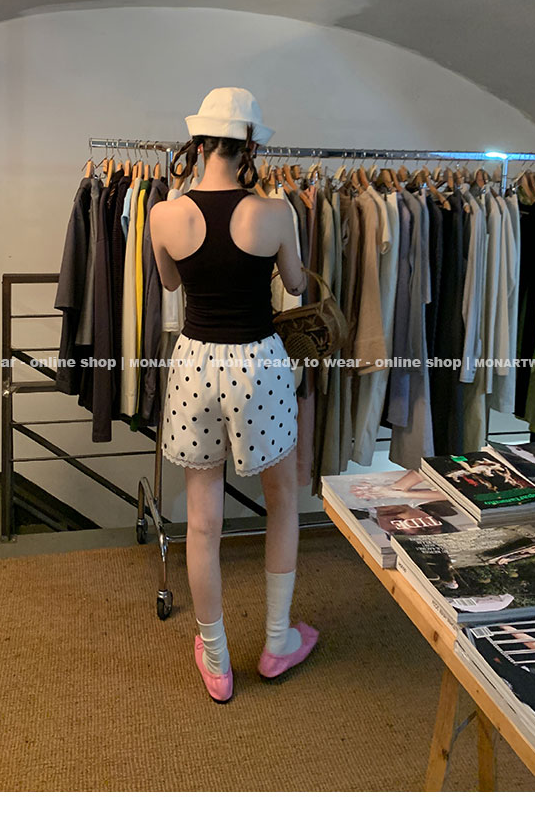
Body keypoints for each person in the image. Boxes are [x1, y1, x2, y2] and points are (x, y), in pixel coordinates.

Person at [149, 87, 319, 703]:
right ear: (250, 147)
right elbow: (295, 283)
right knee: (282, 500)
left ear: (197, 143)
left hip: (195, 362)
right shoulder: (275, 211)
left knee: (202, 521)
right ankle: (277, 642)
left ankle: (217, 661)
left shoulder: (164, 214)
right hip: (258, 364)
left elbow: (171, 281)